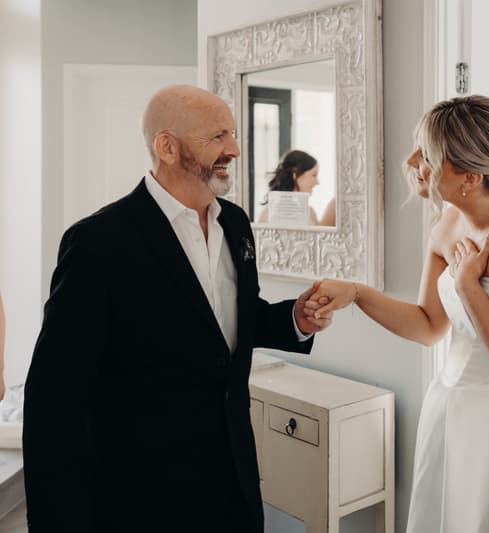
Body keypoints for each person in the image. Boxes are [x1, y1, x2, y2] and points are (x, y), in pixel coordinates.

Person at [23, 85, 331, 532]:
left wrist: (294, 320)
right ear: (167, 147)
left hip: (234, 485)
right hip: (140, 495)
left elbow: (223, 320)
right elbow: (54, 397)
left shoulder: (237, 224)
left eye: (233, 134)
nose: (235, 149)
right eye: (218, 136)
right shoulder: (98, 242)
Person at [304, 95, 489, 532]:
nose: (413, 163)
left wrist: (469, 287)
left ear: (469, 176)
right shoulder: (448, 222)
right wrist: (356, 293)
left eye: (427, 155)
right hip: (451, 411)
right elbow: (428, 326)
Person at [257, 149, 323, 225]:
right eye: (314, 175)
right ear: (295, 173)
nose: (317, 182)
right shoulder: (268, 214)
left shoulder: (310, 213)